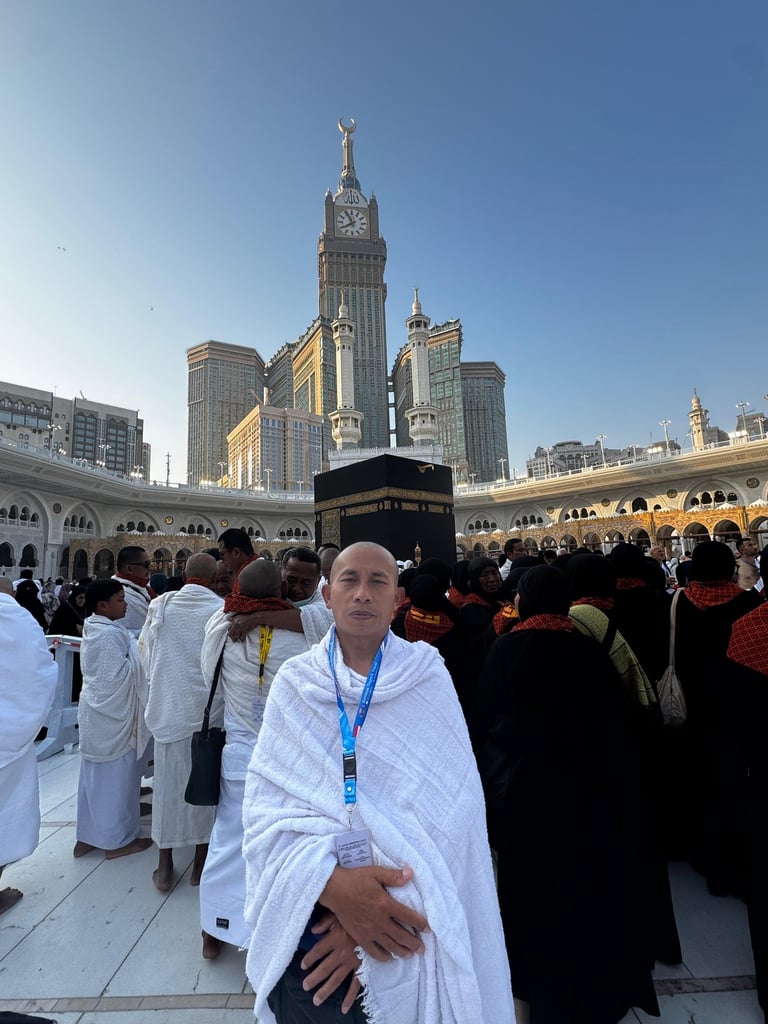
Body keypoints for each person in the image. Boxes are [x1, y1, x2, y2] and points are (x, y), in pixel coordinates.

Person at [242, 542, 513, 1024]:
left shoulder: (428, 678)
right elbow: (265, 816)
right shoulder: (295, 684)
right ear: (328, 596)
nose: (363, 593)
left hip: (409, 932)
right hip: (313, 932)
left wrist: (372, 918)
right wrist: (337, 891)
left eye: (378, 582)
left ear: (397, 600)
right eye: (349, 580)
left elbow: (457, 818)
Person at [472, 565, 659, 1024]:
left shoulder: (506, 648)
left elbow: (484, 720)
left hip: (525, 797)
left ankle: (533, 985)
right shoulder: (587, 649)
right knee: (582, 889)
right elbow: (615, 724)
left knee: (529, 895)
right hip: (587, 795)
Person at [199, 559, 309, 960]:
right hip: (286, 756)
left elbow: (208, 676)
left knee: (229, 840)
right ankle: (270, 929)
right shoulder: (302, 637)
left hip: (241, 754)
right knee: (280, 842)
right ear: (281, 591)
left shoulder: (220, 628)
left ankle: (213, 928)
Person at [138, 553, 223, 893]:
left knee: (168, 787)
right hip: (206, 714)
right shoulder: (220, 609)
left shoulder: (161, 606)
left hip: (169, 708)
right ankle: (200, 864)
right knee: (205, 788)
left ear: (185, 574)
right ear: (214, 578)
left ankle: (164, 866)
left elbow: (146, 654)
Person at [74, 580, 152, 860]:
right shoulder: (108, 635)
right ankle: (116, 842)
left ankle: (86, 838)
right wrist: (139, 654)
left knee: (93, 781)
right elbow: (115, 679)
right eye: (120, 600)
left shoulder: (97, 627)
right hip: (113, 719)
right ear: (102, 606)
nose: (126, 604)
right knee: (117, 781)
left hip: (95, 715)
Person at [0, 578, 58, 916]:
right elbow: (42, 672)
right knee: (6, 812)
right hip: (9, 736)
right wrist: (27, 719)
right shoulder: (19, 619)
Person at [113, 546, 155, 636]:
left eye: (149, 564)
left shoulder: (144, 588)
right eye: (145, 564)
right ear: (129, 568)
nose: (149, 568)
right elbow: (123, 632)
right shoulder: (120, 594)